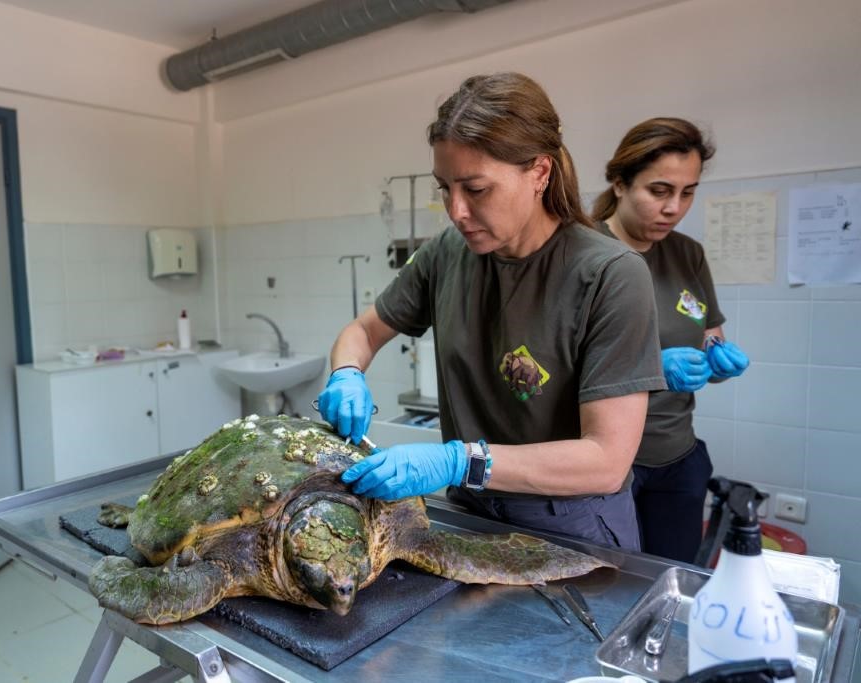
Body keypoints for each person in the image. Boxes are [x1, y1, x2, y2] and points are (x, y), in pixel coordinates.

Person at [316, 72, 668, 550]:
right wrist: (347, 373)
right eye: (444, 188)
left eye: (476, 189)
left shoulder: (610, 274)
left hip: (571, 525)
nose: (456, 211)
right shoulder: (447, 254)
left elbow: (605, 461)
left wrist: (459, 461)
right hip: (472, 512)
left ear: (540, 173)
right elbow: (364, 329)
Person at [591, 117, 750, 562]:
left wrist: (717, 359)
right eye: (659, 191)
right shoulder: (580, 251)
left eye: (688, 192)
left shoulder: (687, 254)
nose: (674, 208)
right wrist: (651, 368)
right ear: (620, 183)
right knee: (607, 589)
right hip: (607, 466)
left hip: (678, 458)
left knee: (671, 583)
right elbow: (555, 368)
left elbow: (708, 338)